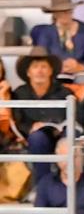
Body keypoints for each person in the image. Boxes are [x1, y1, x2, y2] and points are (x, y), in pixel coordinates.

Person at [12, 47, 79, 183]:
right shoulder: (20, 93)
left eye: (44, 67)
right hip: (36, 136)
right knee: (37, 138)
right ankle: (43, 185)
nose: (40, 71)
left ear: (50, 71)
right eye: (35, 67)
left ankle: (71, 184)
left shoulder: (64, 92)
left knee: (71, 136)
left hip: (62, 133)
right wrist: (31, 127)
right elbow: (18, 120)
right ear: (28, 72)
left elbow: (76, 116)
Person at [32, 0, 84, 85]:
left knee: (82, 80)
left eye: (68, 11)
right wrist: (57, 66)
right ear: (55, 14)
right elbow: (41, 57)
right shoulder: (46, 33)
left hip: (82, 75)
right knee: (54, 83)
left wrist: (79, 67)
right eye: (61, 12)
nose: (65, 15)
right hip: (56, 74)